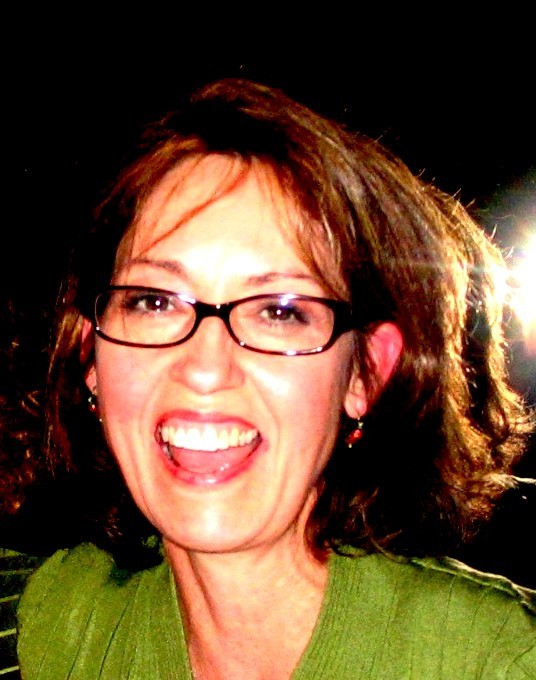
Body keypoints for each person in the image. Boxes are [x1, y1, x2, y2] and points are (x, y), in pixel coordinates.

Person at [8, 77, 536, 678]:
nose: (205, 368)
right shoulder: (54, 624)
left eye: (279, 312)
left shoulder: (498, 659)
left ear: (365, 373)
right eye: (154, 302)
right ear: (89, 356)